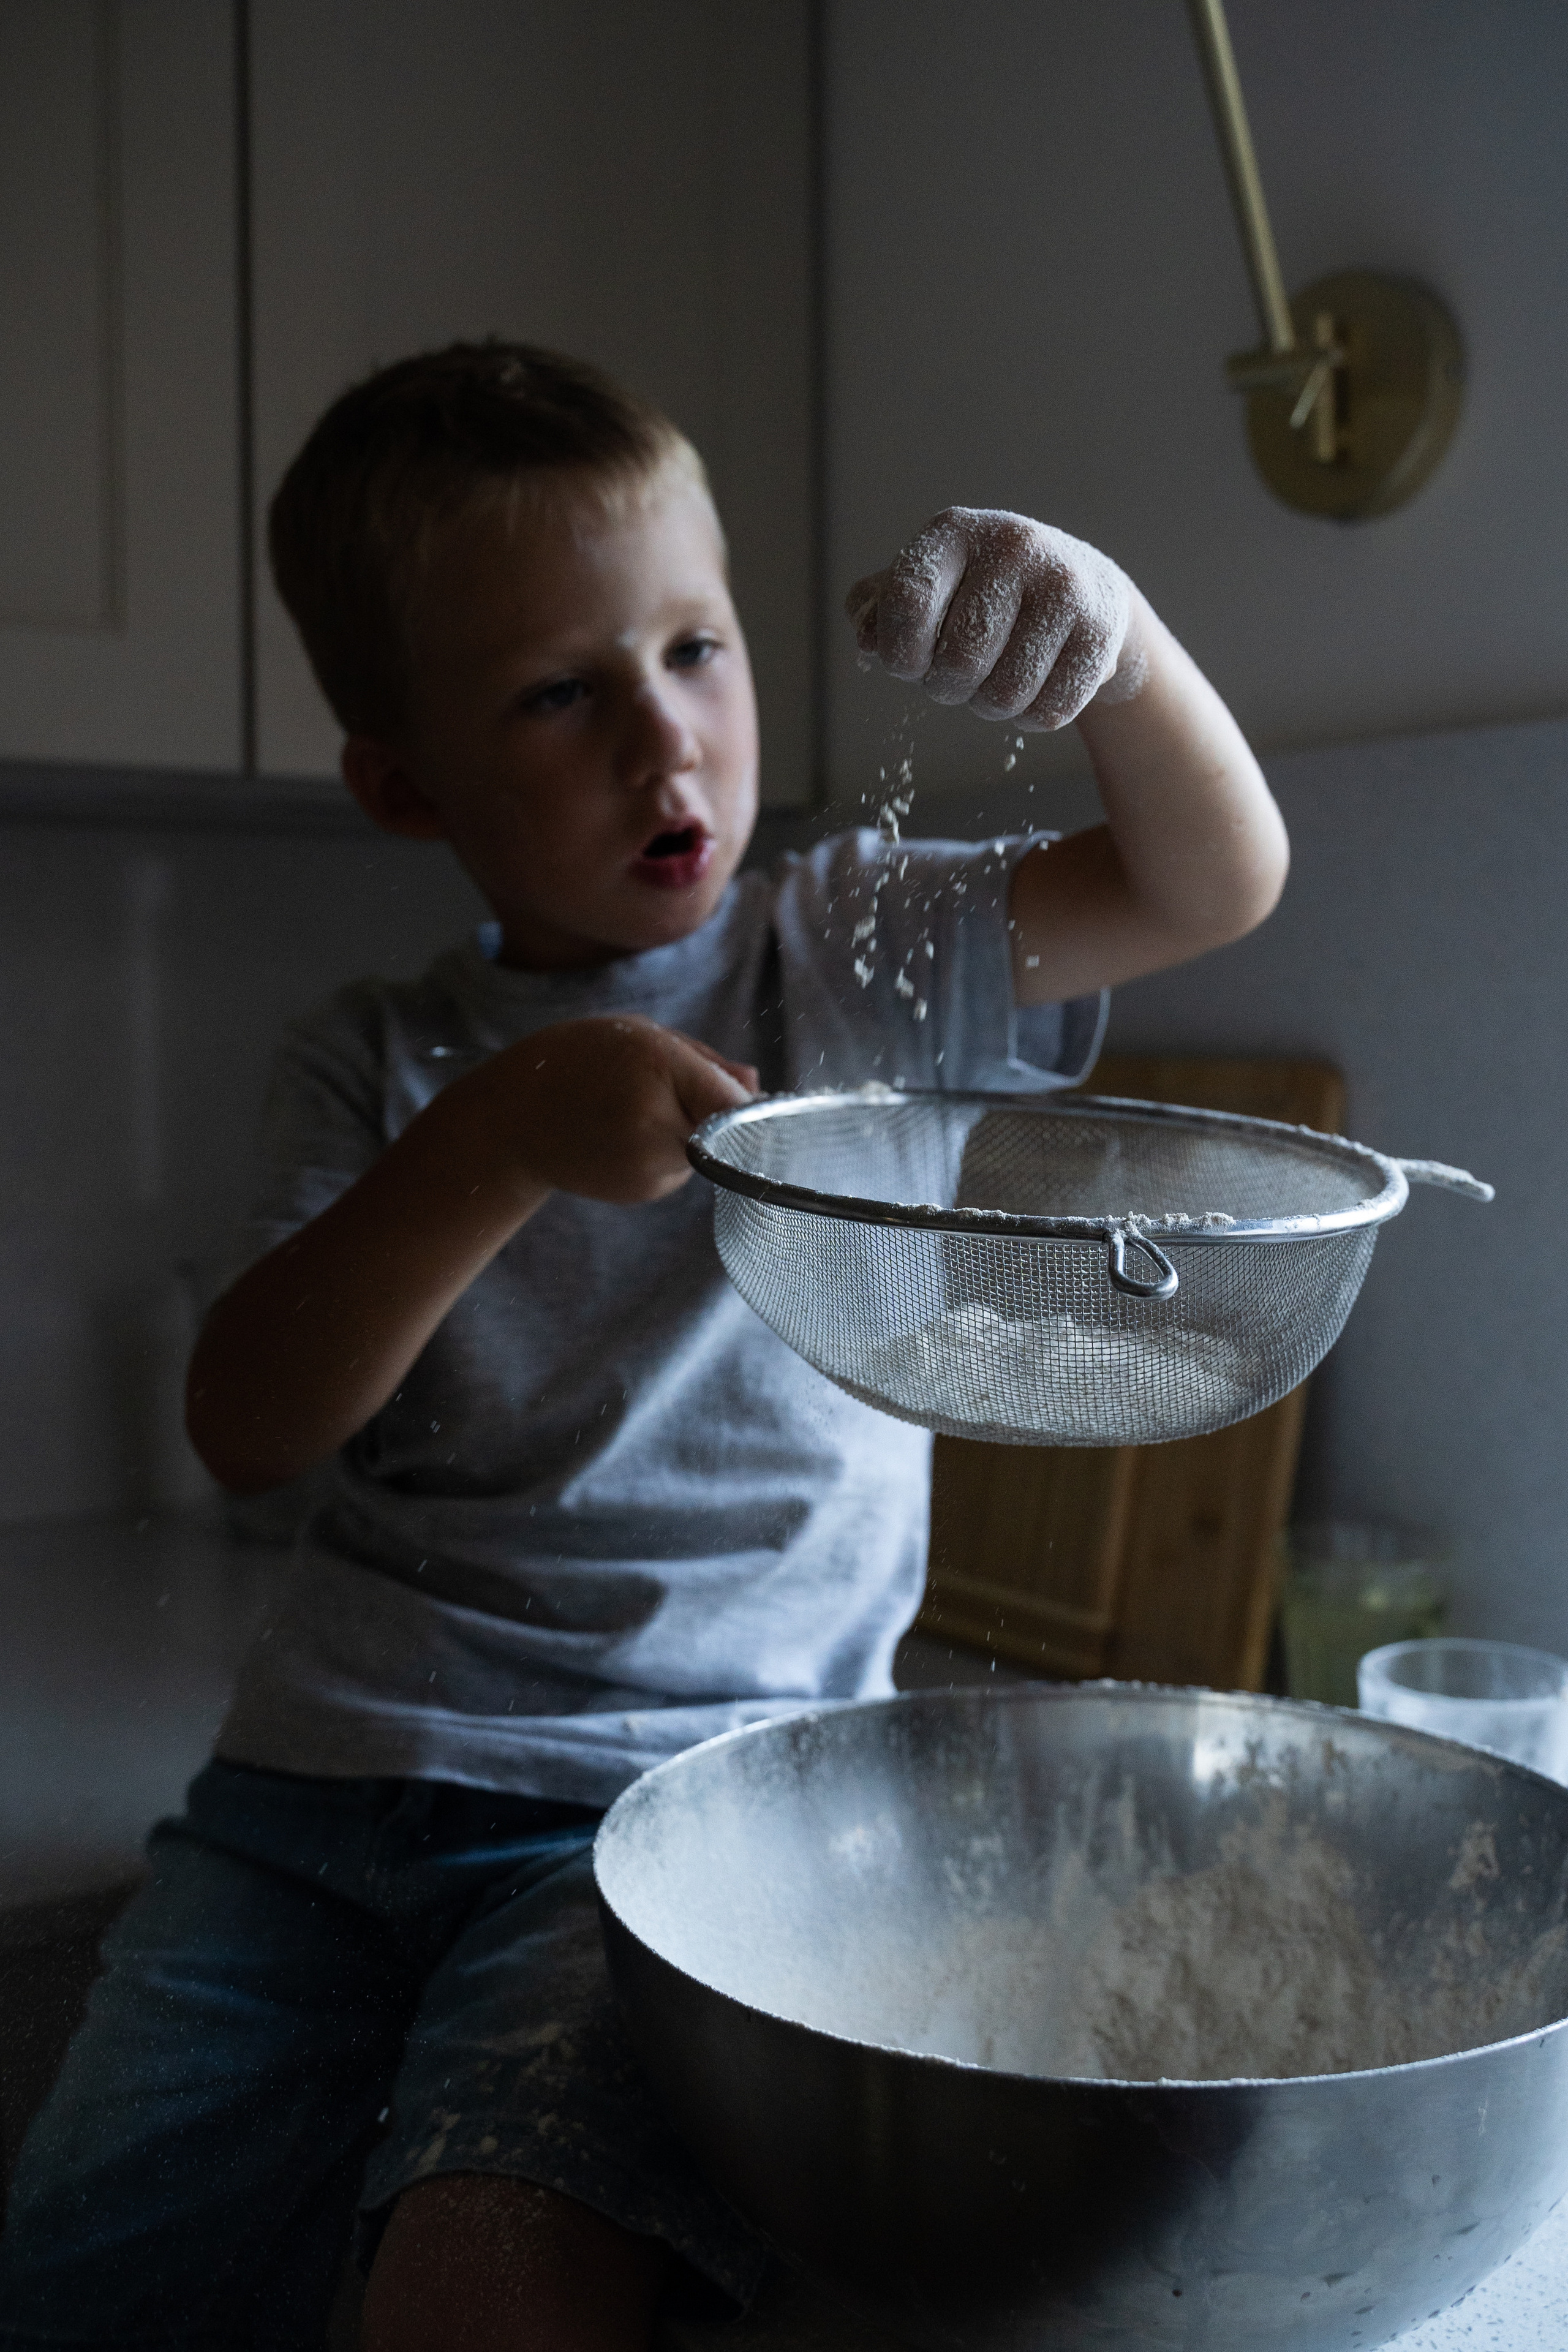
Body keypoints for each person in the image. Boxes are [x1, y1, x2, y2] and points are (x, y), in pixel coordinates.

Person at [0, 343, 1287, 2351]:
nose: (664, 744)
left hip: (679, 1820)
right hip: (311, 1805)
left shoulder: (852, 953)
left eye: (695, 650)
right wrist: (501, 1138)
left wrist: (1110, 642)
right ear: (403, 781)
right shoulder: (375, 1061)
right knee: (102, 2263)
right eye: (559, 694)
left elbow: (1217, 876)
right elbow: (249, 1427)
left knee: (496, 2287)